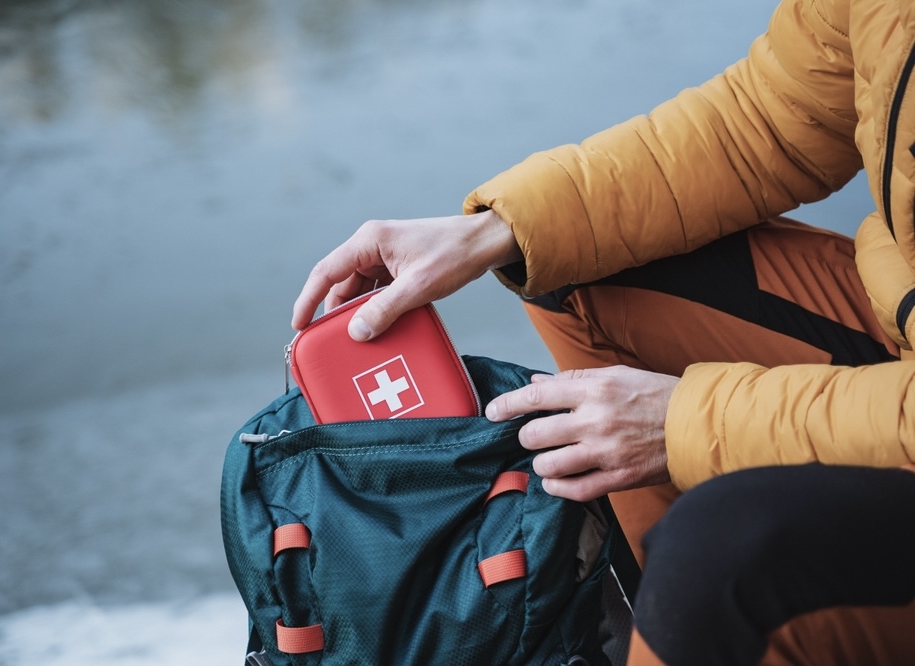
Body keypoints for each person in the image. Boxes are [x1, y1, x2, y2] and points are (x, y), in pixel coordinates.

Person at [292, 0, 915, 663]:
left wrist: (686, 421)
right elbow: (769, 121)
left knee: (714, 555)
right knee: (571, 270)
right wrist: (494, 232)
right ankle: (651, 623)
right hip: (894, 320)